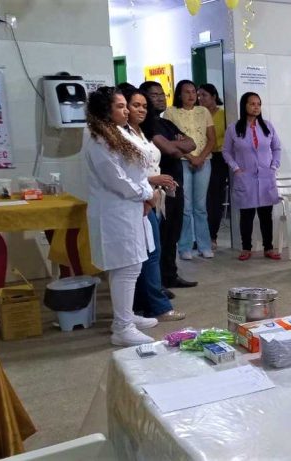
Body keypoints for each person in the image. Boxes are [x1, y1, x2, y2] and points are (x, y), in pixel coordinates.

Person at [82, 87, 161, 346]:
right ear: (105, 110)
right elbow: (116, 179)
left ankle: (125, 317)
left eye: (125, 105)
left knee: (133, 264)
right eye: (119, 106)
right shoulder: (97, 138)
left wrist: (145, 192)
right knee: (125, 267)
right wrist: (147, 192)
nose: (126, 110)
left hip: (130, 208)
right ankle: (123, 328)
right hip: (115, 211)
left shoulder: (119, 132)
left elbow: (139, 166)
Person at [122, 87, 185, 322]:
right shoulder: (122, 136)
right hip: (141, 201)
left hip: (153, 197)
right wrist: (154, 181)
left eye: (144, 106)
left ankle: (143, 303)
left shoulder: (142, 131)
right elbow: (127, 174)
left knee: (151, 252)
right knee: (151, 253)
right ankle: (158, 306)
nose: (140, 110)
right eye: (134, 105)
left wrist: (160, 183)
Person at [138, 81, 198, 290]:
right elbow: (172, 151)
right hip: (158, 188)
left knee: (173, 231)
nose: (160, 98)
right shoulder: (148, 125)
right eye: (154, 95)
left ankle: (170, 275)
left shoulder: (167, 123)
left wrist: (176, 144)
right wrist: (177, 145)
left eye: (162, 94)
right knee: (161, 235)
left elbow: (192, 143)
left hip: (175, 185)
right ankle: (158, 282)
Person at [223, 92, 283, 261]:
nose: (256, 107)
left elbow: (277, 148)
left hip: (265, 178)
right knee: (247, 215)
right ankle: (246, 248)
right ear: (244, 106)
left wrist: (274, 166)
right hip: (245, 177)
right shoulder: (234, 128)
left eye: (258, 104)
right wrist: (235, 168)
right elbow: (226, 151)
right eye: (252, 104)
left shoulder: (267, 126)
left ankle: (268, 248)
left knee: (266, 215)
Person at [164, 80, 216, 260]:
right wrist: (191, 157)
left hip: (204, 162)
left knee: (200, 207)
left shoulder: (204, 112)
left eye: (194, 91)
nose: (191, 95)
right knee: (185, 207)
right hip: (182, 162)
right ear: (179, 94)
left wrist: (200, 157)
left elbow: (211, 139)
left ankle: (204, 245)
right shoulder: (170, 113)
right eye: (187, 92)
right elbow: (169, 141)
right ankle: (185, 246)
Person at [198, 83, 227, 251]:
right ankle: (199, 236)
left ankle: (212, 235)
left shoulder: (223, 114)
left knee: (214, 199)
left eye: (204, 95)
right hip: (201, 157)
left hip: (219, 158)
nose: (200, 99)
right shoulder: (197, 114)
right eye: (199, 95)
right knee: (201, 198)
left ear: (214, 96)